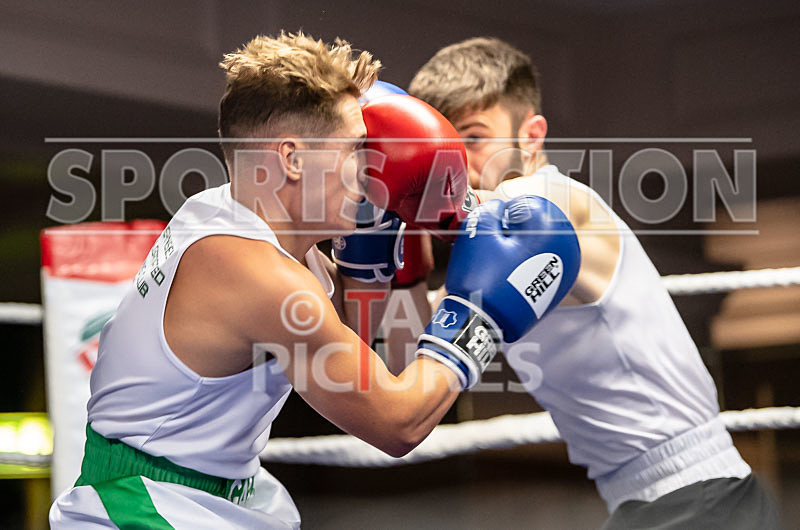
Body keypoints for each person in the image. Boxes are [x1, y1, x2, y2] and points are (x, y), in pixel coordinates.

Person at [48, 33, 580, 528]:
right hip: (145, 504)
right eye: (353, 150)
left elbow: (382, 361)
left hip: (214, 491)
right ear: (292, 157)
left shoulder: (236, 217)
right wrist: (476, 318)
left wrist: (378, 260)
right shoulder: (256, 275)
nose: (370, 171)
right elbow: (397, 424)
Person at [406, 37, 781, 529]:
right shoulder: (491, 257)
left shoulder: (555, 202)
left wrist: (416, 195)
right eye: (446, 149)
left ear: (532, 136)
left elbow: (528, 210)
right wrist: (396, 247)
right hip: (655, 502)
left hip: (698, 494)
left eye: (473, 139)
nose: (459, 165)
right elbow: (409, 349)